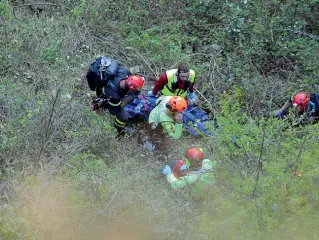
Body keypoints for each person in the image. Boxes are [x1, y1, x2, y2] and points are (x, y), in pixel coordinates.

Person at [87, 56, 145, 134]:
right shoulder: (114, 95)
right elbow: (118, 107)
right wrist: (130, 97)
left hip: (105, 89)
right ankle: (119, 129)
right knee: (124, 116)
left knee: (103, 94)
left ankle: (96, 100)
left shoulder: (125, 72)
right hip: (104, 94)